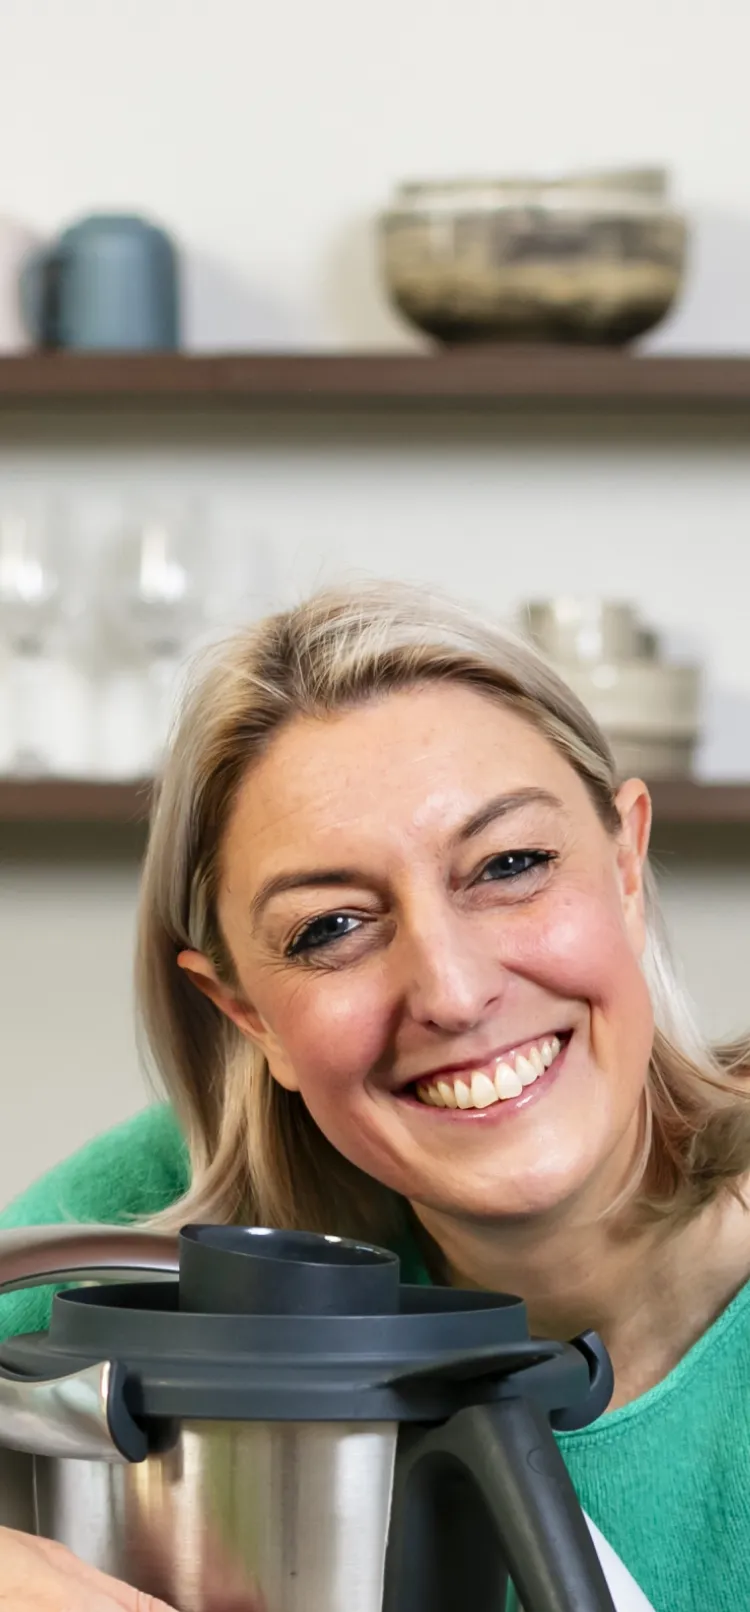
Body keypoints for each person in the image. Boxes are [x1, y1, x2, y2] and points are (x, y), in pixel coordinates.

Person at [0, 580, 748, 1612]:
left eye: (511, 864)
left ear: (625, 866)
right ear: (248, 1016)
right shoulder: (173, 1215)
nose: (452, 992)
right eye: (332, 929)